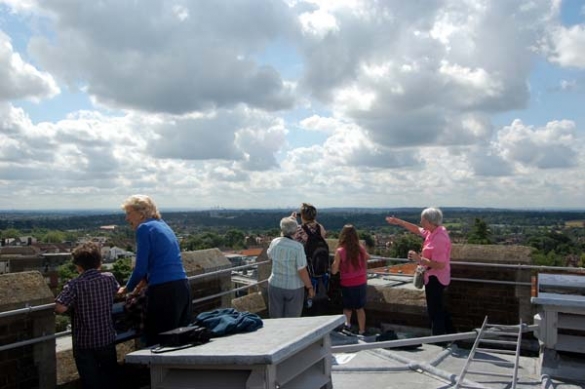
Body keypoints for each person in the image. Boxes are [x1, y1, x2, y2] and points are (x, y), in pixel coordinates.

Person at [118, 194, 192, 346]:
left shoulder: (144, 228)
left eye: (129, 213)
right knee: (180, 340)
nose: (126, 218)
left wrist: (127, 289)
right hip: (182, 287)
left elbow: (140, 268)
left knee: (159, 343)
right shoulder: (163, 225)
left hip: (164, 291)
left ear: (141, 213)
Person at [55, 242, 120, 389]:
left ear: (78, 266)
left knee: (91, 382)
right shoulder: (109, 278)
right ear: (99, 263)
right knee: (110, 378)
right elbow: (118, 291)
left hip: (85, 343)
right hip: (107, 338)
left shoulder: (75, 284)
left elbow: (60, 308)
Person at [386, 207, 455, 337]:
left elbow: (440, 265)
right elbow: (416, 229)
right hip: (433, 276)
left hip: (437, 278)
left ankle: (439, 339)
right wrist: (399, 221)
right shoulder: (433, 231)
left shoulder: (439, 238)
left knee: (435, 310)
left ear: (430, 221)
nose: (420, 222)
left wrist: (419, 259)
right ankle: (452, 335)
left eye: (422, 220)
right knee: (439, 308)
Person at [267, 216, 315, 318]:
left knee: (275, 318)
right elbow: (302, 270)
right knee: (292, 319)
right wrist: (310, 287)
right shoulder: (298, 247)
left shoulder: (274, 242)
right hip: (294, 287)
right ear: (295, 230)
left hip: (275, 284)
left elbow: (269, 257)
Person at [331, 224, 370, 335]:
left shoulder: (340, 251)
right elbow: (368, 257)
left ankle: (347, 327)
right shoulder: (360, 248)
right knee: (359, 308)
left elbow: (334, 270)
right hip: (361, 281)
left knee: (347, 308)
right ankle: (362, 330)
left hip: (347, 283)